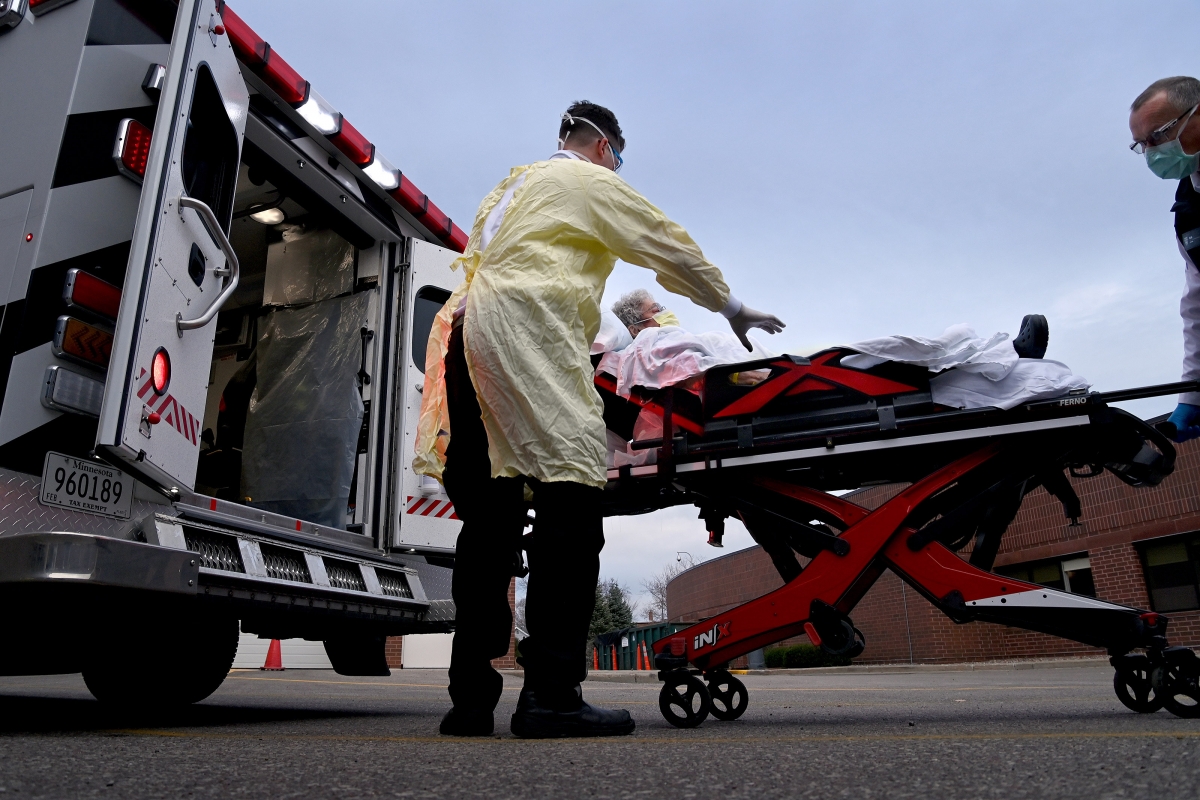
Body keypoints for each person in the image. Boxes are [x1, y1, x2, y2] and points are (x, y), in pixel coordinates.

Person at [413, 101, 785, 738]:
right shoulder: (588, 181)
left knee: (489, 523)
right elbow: (663, 240)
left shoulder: (512, 185)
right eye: (617, 155)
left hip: (466, 336)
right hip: (529, 330)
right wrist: (733, 305)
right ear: (605, 147)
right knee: (572, 498)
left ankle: (470, 701)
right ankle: (552, 696)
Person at [1128, 77, 1200, 441]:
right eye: (1142, 145)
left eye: (1157, 135)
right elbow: (1197, 309)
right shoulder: (1189, 210)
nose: (1153, 151)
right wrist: (1192, 393)